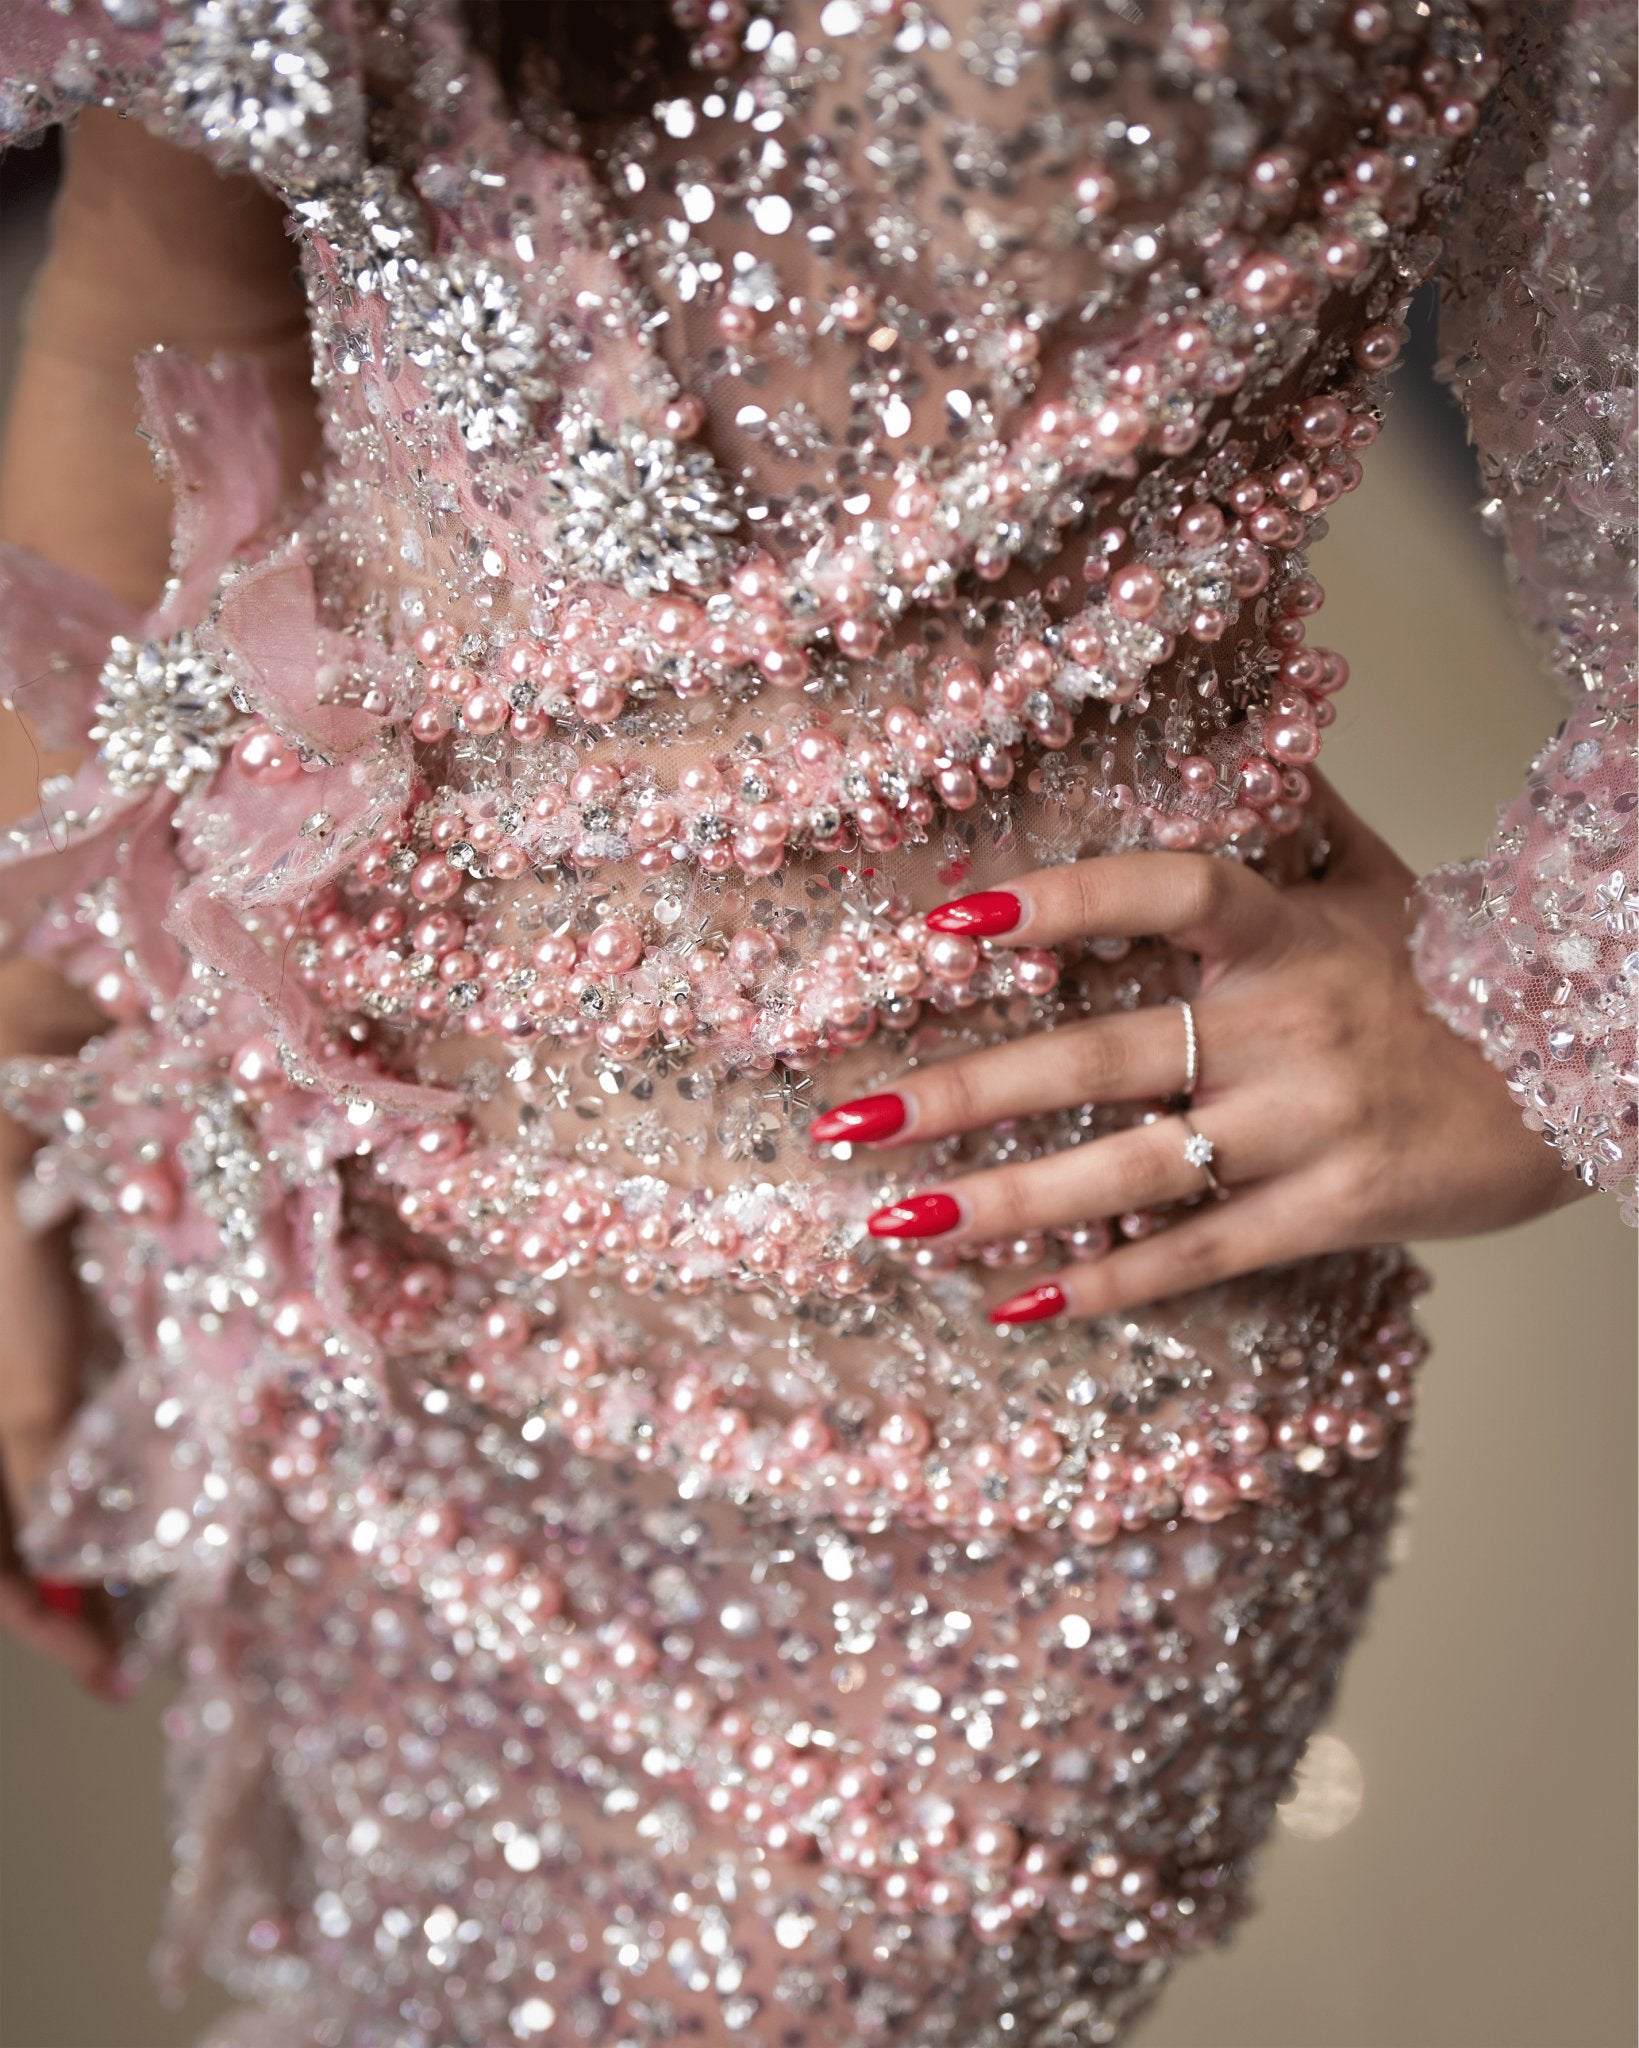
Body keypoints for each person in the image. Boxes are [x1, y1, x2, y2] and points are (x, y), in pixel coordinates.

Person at [0, 2, 1631, 2043]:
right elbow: (162, 309)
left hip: (981, 1455)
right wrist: (30, 1071)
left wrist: (1570, 1018)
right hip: (341, 1278)